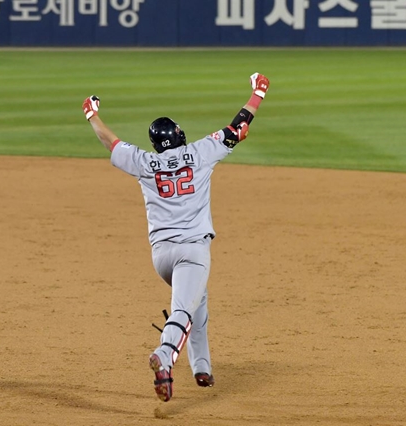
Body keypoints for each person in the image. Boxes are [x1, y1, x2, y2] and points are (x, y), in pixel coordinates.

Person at [81, 73, 270, 402]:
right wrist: (258, 93)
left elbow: (110, 142)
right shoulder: (200, 153)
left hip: (161, 258)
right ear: (180, 135)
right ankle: (165, 358)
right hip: (192, 252)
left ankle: (202, 367)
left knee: (199, 302)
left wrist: (91, 113)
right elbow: (238, 127)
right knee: (183, 310)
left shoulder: (145, 162)